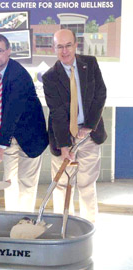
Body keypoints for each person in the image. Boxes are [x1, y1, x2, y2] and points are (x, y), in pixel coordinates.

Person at [42, 29, 107, 223]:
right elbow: (58, 112)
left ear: (75, 45)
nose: (64, 51)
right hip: (63, 135)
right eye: (59, 46)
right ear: (54, 48)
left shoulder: (90, 63)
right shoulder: (49, 77)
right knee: (62, 184)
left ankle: (89, 224)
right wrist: (63, 146)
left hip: (89, 133)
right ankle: (63, 224)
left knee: (87, 184)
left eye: (68, 45)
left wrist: (89, 126)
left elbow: (100, 94)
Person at [0, 34, 48, 212]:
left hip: (30, 135)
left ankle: (24, 220)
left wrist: (0, 145)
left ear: (9, 51)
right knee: (9, 181)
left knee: (27, 183)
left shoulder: (18, 74)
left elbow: (12, 111)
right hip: (8, 135)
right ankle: (10, 218)